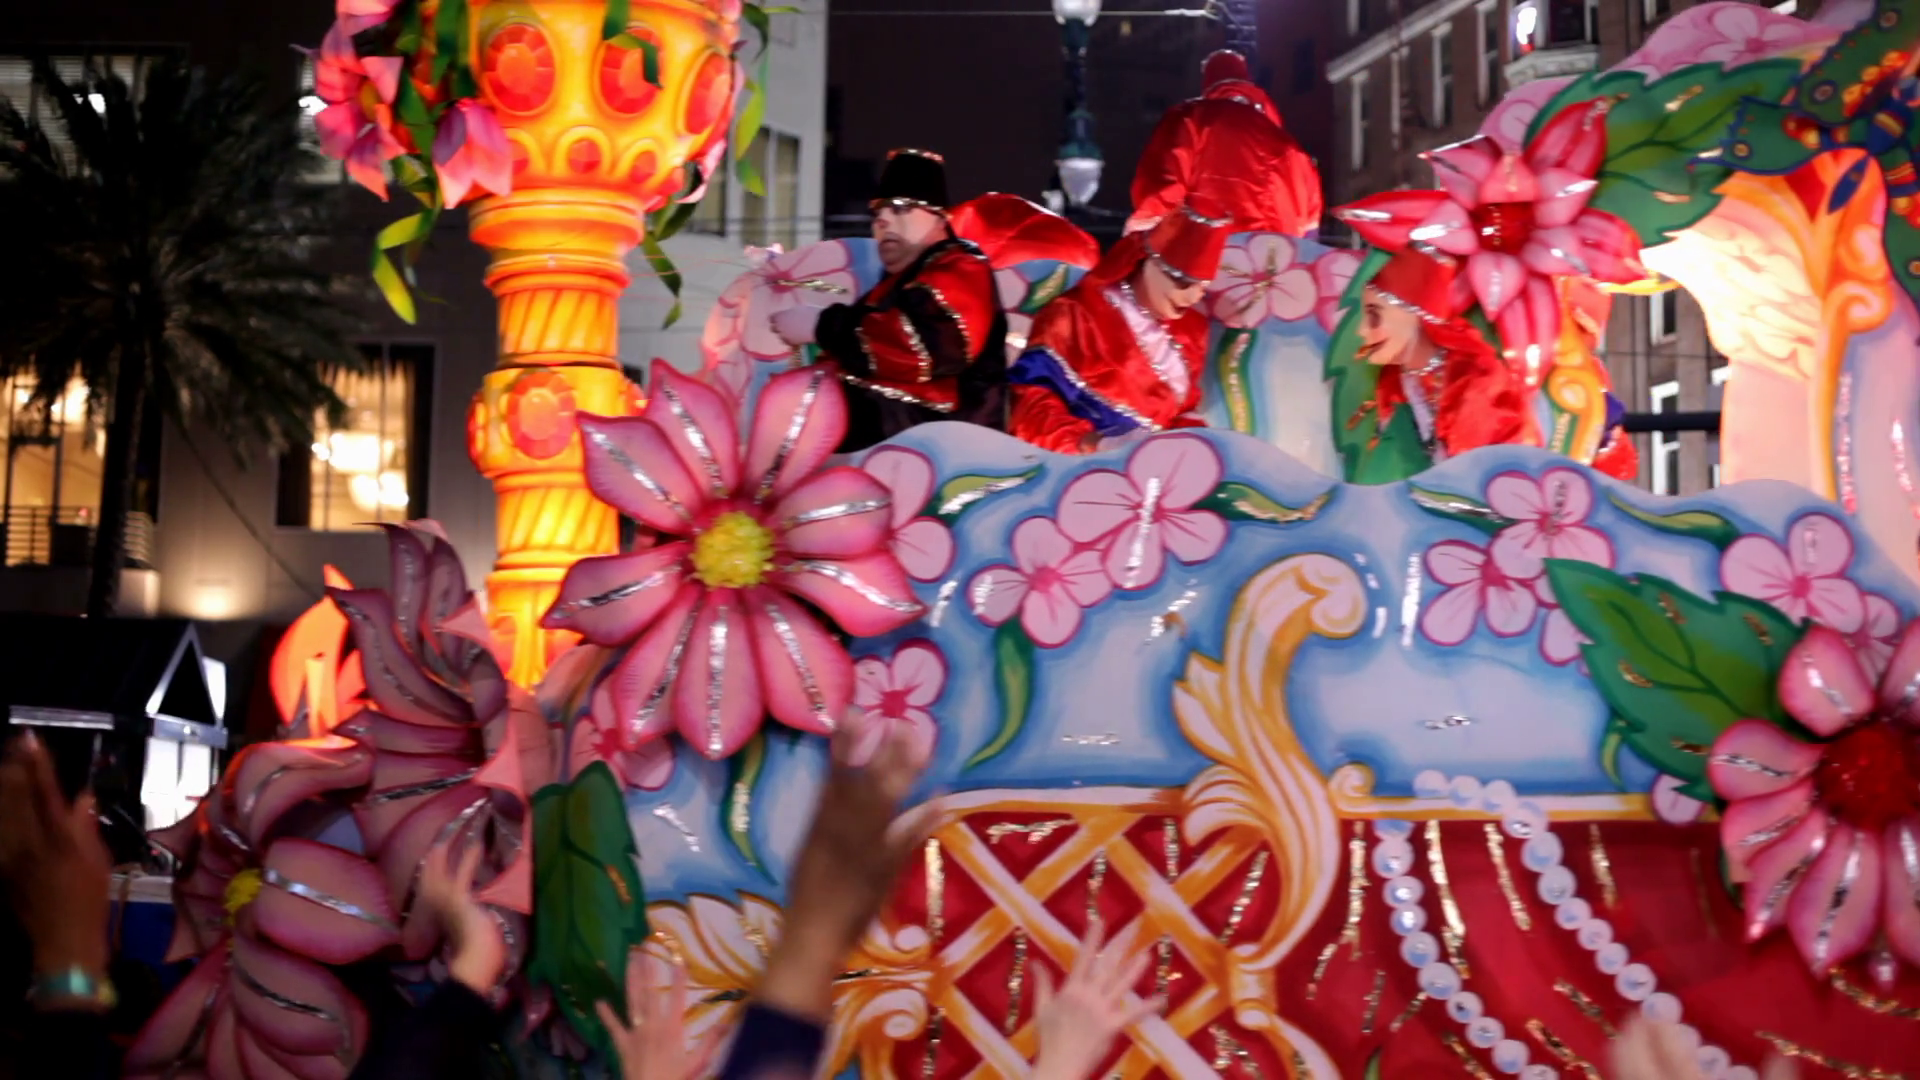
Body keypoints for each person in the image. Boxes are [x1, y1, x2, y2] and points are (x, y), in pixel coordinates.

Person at [770, 148, 1008, 452]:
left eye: (899, 208)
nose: (882, 220)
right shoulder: (897, 282)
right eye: (877, 213)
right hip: (900, 449)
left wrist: (821, 326)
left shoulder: (962, 268)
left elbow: (918, 346)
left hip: (943, 456)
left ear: (939, 217)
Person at [1008, 197, 1233, 453]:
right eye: (1182, 283)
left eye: (1202, 288)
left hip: (1157, 467)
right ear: (1149, 261)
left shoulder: (1191, 330)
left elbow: (1181, 413)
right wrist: (1093, 444)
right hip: (1076, 466)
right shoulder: (1074, 315)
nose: (1192, 297)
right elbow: (1028, 402)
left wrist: (1196, 443)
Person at [1344, 244, 1539, 463]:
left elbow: (1473, 473)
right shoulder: (1394, 381)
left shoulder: (1475, 381)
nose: (1361, 330)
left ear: (1416, 315)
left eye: (1374, 316)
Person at [1127, 50, 1323, 239]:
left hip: (1208, 251)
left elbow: (1163, 183)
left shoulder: (1191, 118)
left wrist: (1141, 230)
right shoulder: (1290, 146)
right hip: (1274, 256)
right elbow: (1310, 227)